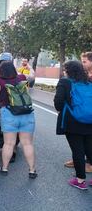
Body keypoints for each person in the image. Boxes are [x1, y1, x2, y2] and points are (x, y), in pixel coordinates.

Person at [0, 61, 37, 178]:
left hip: (9, 114)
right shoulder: (21, 77)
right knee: (27, 143)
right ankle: (32, 171)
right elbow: (32, 76)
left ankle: (4, 168)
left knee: (8, 143)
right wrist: (30, 67)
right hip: (26, 114)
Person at [54, 61, 92, 190]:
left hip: (73, 122)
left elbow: (58, 102)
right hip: (90, 121)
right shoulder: (88, 82)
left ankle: (80, 180)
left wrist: (62, 109)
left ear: (68, 70)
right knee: (90, 148)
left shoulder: (65, 82)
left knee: (78, 150)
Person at [63, 52, 92, 172]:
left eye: (84, 61)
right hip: (85, 113)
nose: (82, 64)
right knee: (84, 139)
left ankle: (89, 164)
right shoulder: (85, 76)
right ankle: (80, 160)